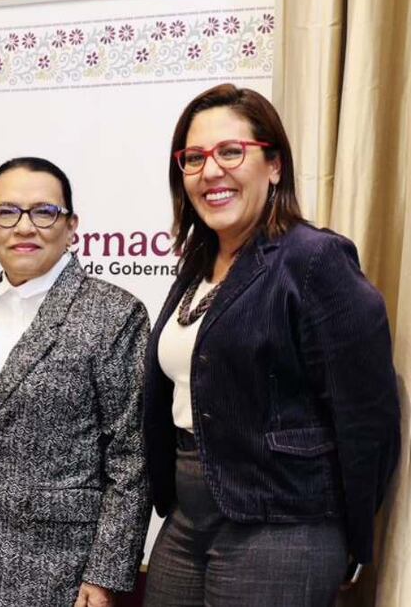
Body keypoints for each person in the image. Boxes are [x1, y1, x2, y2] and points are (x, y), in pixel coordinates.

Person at [142, 83, 401, 606]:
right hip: (187, 518)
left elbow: (366, 416)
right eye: (194, 158)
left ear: (274, 165)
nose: (210, 171)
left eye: (231, 151)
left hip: (285, 522)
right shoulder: (197, 265)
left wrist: (353, 534)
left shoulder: (313, 260)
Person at [0, 158, 150, 607]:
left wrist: (104, 577)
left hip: (61, 576)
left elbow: (130, 459)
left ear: (71, 226)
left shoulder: (113, 314)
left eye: (44, 212)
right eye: (7, 212)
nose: (24, 227)